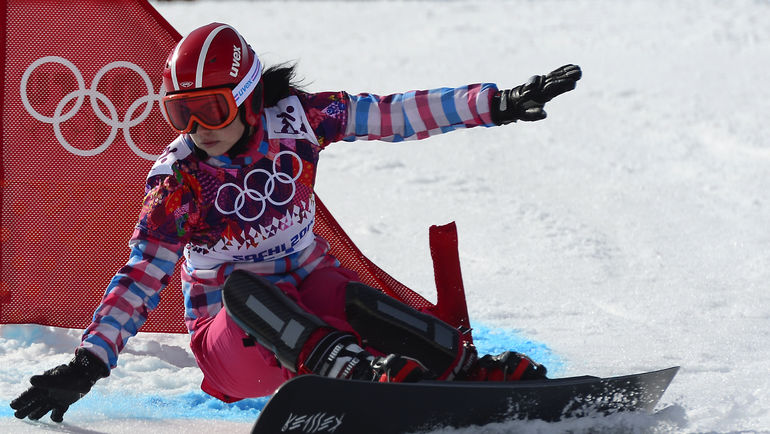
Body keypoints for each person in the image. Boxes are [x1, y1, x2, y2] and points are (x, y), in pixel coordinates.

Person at [10, 22, 581, 422]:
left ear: (248, 97)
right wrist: (89, 363)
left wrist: (497, 103)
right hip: (234, 343)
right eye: (181, 112)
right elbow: (141, 276)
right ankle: (349, 372)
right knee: (242, 286)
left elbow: (392, 114)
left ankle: (462, 368)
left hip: (312, 302)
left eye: (212, 109)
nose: (198, 128)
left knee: (349, 294)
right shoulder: (179, 179)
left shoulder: (298, 120)